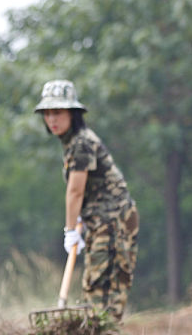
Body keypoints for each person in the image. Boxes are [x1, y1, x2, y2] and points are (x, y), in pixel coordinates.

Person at [35, 79, 139, 319]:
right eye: (47, 113)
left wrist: (70, 230)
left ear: (73, 114)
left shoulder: (82, 142)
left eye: (58, 113)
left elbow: (75, 191)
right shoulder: (72, 143)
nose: (52, 119)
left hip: (113, 221)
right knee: (97, 285)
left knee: (104, 287)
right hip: (99, 220)